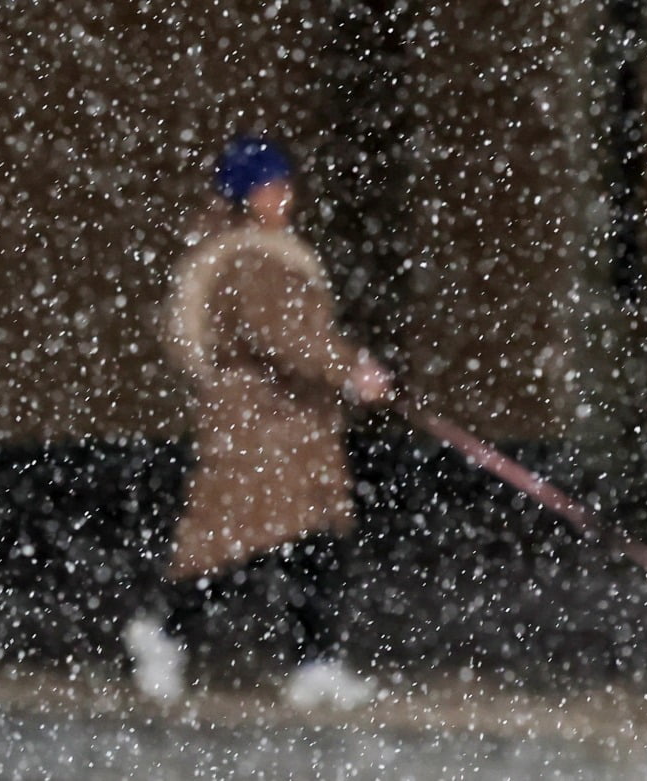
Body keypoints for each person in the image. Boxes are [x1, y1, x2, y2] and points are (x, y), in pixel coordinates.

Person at [123, 134, 393, 704]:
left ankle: (309, 658)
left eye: (284, 183)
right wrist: (350, 370)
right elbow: (286, 335)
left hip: (278, 423)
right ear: (247, 195)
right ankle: (171, 632)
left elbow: (290, 336)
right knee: (243, 544)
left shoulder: (251, 252)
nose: (285, 195)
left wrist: (343, 369)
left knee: (291, 541)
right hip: (264, 425)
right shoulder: (251, 259)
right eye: (272, 185)